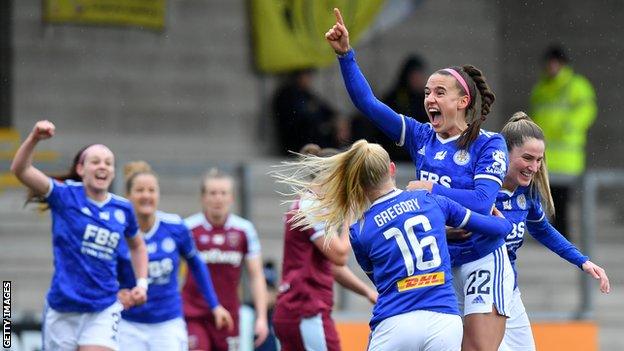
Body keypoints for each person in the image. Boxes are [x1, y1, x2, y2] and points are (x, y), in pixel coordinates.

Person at [326, 9, 513, 350]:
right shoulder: (420, 135)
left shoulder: (489, 143)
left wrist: (434, 191)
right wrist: (345, 55)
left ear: (462, 101)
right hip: (440, 261)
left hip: (481, 254)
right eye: (427, 92)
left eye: (439, 92)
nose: (429, 99)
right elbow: (367, 103)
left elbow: (484, 201)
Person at [273, 140, 513, 351]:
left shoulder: (359, 231)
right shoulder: (431, 201)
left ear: (358, 182)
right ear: (392, 169)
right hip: (443, 320)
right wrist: (501, 223)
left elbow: (380, 278)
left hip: (394, 323)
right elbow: (498, 229)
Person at [10, 120, 148, 351]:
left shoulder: (123, 209)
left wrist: (142, 284)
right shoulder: (64, 195)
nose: (102, 166)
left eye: (108, 163)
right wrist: (34, 137)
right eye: (95, 161)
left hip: (103, 307)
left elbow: (138, 246)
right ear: (82, 169)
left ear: (113, 173)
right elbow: (21, 170)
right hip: (63, 307)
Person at [496, 112, 609, 351]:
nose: (534, 167)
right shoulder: (482, 188)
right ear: (503, 152)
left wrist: (583, 261)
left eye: (539, 160)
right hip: (477, 291)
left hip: (509, 291)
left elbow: (543, 230)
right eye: (527, 158)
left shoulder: (526, 194)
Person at [115, 161, 234, 351]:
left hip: (167, 324)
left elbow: (197, 264)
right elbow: (105, 272)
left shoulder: (175, 227)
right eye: (140, 190)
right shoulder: (118, 231)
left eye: (151, 190)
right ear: (128, 196)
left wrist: (214, 305)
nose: (146, 195)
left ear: (158, 194)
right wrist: (115, 294)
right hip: (128, 324)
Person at [272, 144, 378, 351]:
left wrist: (367, 292)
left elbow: (333, 267)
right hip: (306, 309)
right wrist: (350, 217)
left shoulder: (310, 205)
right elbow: (339, 255)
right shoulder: (311, 205)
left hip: (294, 310)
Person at [182, 169, 269, 351]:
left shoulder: (244, 230)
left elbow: (256, 275)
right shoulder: (188, 228)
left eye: (223, 193)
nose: (218, 198)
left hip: (229, 316)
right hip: (194, 314)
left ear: (232, 198)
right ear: (203, 197)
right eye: (212, 193)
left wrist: (261, 317)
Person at [529, 44, 597, 239]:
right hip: (544, 152)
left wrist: (570, 125)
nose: (551, 67)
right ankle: (551, 233)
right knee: (547, 197)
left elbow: (587, 110)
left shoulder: (577, 86)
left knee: (561, 199)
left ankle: (561, 234)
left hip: (567, 154)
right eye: (548, 63)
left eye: (554, 63)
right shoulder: (541, 87)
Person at [351, 54, 428, 161]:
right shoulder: (394, 98)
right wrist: (345, 56)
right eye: (415, 75)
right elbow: (368, 104)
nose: (419, 80)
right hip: (395, 156)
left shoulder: (425, 103)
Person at [272, 69, 340, 155]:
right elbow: (297, 119)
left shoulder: (308, 94)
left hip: (316, 136)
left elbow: (327, 110)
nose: (309, 79)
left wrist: (338, 121)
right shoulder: (286, 95)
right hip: (297, 141)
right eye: (306, 76)